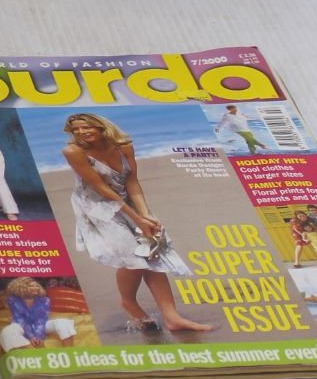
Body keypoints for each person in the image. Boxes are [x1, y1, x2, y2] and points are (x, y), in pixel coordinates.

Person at [61, 112, 213, 334]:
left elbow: (132, 181)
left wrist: (146, 215)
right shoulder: (73, 151)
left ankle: (172, 318)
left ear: (101, 126)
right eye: (76, 130)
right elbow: (100, 187)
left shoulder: (123, 147)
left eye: (87, 127)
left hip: (125, 198)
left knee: (152, 251)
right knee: (133, 255)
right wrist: (138, 219)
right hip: (96, 206)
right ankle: (129, 302)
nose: (81, 132)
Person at [3, 277, 76, 348]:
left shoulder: (45, 300)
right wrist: (32, 337)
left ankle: (69, 349)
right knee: (7, 332)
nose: (36, 288)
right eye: (32, 287)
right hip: (21, 325)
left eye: (36, 286)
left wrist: (39, 337)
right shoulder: (13, 300)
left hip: (42, 325)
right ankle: (33, 350)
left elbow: (41, 319)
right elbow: (20, 319)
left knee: (63, 322)